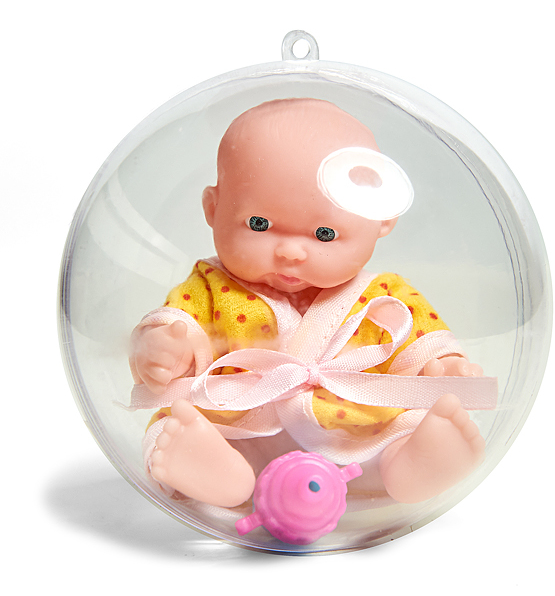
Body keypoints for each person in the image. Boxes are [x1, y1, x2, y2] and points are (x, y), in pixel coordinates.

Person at [129, 98, 495, 509]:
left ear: (382, 221)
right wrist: (165, 348)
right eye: (259, 224)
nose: (290, 251)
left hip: (354, 432)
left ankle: (413, 466)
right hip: (237, 429)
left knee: (400, 428)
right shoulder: (211, 286)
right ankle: (214, 473)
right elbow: (181, 323)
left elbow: (420, 337)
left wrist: (444, 366)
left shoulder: (383, 295)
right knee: (178, 426)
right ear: (214, 208)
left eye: (324, 234)